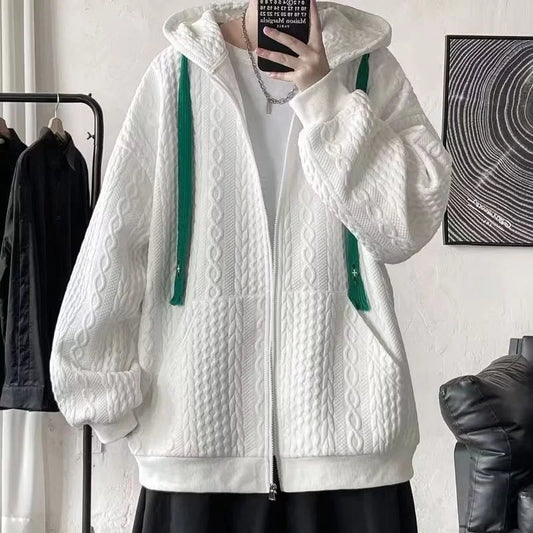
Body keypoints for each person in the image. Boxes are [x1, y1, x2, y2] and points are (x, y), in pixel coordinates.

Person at [49, 0, 453, 531]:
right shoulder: (177, 74)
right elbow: (117, 235)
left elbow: (410, 220)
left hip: (351, 453)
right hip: (195, 446)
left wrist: (326, 97)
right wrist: (103, 397)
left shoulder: (367, 67)